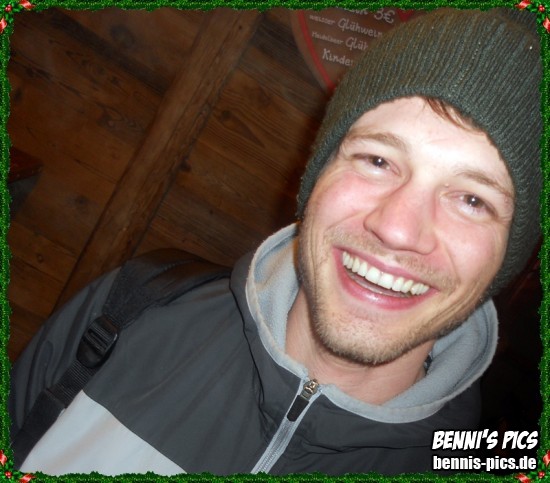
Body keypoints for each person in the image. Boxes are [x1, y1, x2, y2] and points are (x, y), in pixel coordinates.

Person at [9, 7, 541, 476]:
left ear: (508, 259)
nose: (398, 228)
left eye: (473, 200)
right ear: (317, 173)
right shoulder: (126, 311)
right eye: (378, 160)